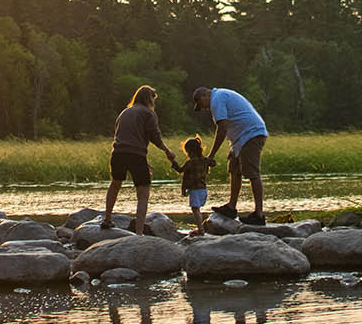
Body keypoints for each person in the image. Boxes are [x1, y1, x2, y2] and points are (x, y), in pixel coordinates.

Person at [101, 84, 179, 235]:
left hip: (117, 153)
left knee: (115, 184)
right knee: (143, 193)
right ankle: (139, 232)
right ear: (149, 98)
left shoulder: (124, 112)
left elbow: (124, 136)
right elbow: (154, 137)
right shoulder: (148, 114)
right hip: (136, 155)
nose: (153, 103)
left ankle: (107, 218)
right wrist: (167, 151)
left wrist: (144, 159)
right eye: (153, 99)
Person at [192, 85, 269, 224]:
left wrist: (211, 155)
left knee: (252, 173)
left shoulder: (217, 99)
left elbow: (222, 128)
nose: (204, 109)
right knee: (234, 169)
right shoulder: (220, 96)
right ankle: (231, 207)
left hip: (251, 134)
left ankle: (259, 214)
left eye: (202, 105)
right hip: (241, 138)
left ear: (204, 96)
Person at [177, 135, 216, 233]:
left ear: (190, 151)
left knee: (195, 210)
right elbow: (213, 163)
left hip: (195, 190)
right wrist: (209, 159)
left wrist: (173, 162)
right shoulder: (204, 161)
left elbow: (181, 171)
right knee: (197, 209)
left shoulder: (190, 163)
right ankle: (202, 227)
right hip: (203, 189)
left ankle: (200, 229)